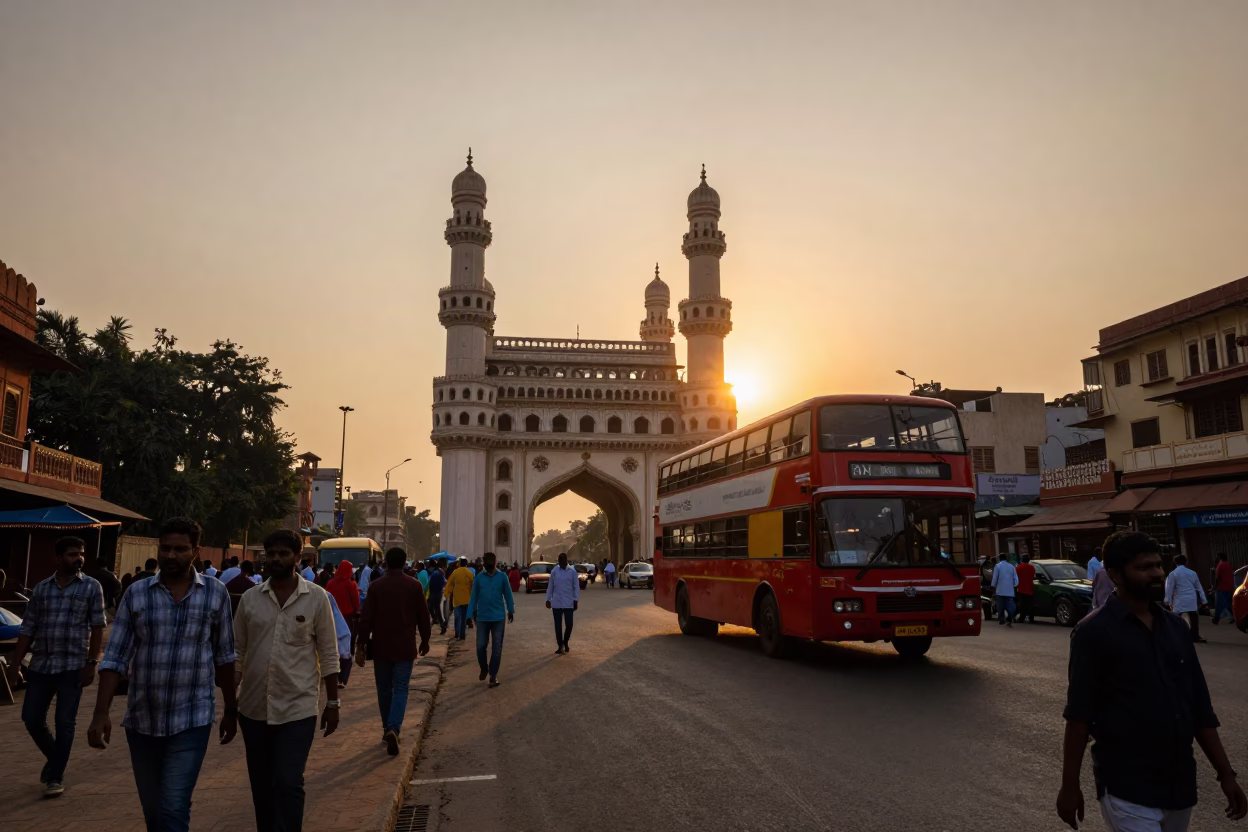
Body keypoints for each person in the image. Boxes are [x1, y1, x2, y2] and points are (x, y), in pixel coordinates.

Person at [1056, 530, 1246, 831]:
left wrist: (1226, 775)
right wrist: (1069, 786)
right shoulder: (1093, 633)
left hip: (1179, 784)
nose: (1156, 574)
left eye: (1158, 565)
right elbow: (1079, 717)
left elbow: (1199, 708)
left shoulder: (1176, 628)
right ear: (1115, 574)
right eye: (1144, 568)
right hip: (1126, 786)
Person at [89, 517, 238, 832]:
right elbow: (115, 655)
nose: (171, 555)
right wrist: (100, 712)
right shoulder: (137, 594)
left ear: (195, 551)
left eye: (180, 549)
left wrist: (230, 710)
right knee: (154, 812)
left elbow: (224, 656)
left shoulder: (215, 593)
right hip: (143, 719)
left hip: (192, 718)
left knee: (171, 810)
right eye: (166, 548)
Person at [234, 529, 340, 832]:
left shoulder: (317, 598)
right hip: (253, 709)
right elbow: (238, 651)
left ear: (298, 556)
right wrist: (231, 696)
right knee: (262, 786)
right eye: (272, 553)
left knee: (289, 781)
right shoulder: (251, 599)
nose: (276, 559)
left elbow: (329, 654)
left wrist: (333, 702)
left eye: (283, 553)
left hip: (298, 708)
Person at [14, 535, 106, 798]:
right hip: (42, 664)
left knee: (65, 721)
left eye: (81, 553)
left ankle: (55, 776)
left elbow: (98, 627)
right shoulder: (42, 589)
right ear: (58, 557)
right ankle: (56, 758)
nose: (78, 558)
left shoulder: (91, 587)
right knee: (31, 718)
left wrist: (92, 662)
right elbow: (28, 628)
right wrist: (15, 665)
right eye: (72, 554)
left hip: (73, 666)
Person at [356, 547, 430, 756]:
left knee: (384, 689)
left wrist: (360, 644)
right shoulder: (414, 586)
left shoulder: (376, 586)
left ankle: (387, 727)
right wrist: (425, 639)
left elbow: (366, 618)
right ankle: (394, 727)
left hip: (381, 646)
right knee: (400, 689)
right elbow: (423, 617)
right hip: (405, 646)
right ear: (405, 562)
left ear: (386, 563)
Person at [468, 552, 514, 688]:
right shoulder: (479, 578)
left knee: (497, 648)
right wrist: (469, 615)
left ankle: (493, 675)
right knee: (481, 646)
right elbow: (473, 597)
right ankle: (484, 667)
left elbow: (508, 594)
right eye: (486, 560)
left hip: (498, 618)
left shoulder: (502, 577)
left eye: (490, 560)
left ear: (494, 561)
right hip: (482, 617)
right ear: (483, 562)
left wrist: (510, 610)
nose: (488, 562)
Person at [326, 561, 361, 685]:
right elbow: (355, 601)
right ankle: (343, 678)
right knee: (347, 646)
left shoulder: (330, 583)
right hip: (347, 617)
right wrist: (357, 611)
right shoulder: (350, 584)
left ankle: (334, 676)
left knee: (332, 645)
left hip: (331, 617)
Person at [1165, 554, 1208, 644]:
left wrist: (1168, 601)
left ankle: (1178, 637)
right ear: (1186, 562)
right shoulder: (1192, 573)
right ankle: (1195, 637)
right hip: (1191, 599)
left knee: (1177, 619)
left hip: (1179, 600)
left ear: (1175, 563)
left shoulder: (1173, 574)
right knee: (1194, 619)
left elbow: (1169, 589)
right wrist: (1204, 600)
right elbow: (1199, 587)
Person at [546, 552, 580, 655]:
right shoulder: (555, 571)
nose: (561, 563)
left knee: (569, 625)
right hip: (556, 602)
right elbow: (550, 586)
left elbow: (576, 587)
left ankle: (565, 641)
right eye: (559, 561)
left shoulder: (572, 571)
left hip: (569, 602)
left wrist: (575, 600)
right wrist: (548, 599)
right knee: (558, 625)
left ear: (566, 561)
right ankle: (560, 645)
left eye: (563, 561)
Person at [445, 557, 475, 640]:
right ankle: (462, 634)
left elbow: (449, 584)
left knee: (457, 616)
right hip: (467, 599)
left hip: (457, 599)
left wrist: (447, 593)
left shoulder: (455, 573)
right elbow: (473, 586)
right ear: (466, 564)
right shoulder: (470, 573)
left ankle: (457, 633)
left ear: (459, 564)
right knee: (464, 617)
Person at [991, 553, 1018, 627]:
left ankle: (1002, 619)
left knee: (1000, 606)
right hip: (1010, 591)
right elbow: (1016, 578)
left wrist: (993, 585)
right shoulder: (1011, 567)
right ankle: (1010, 617)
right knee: (1010, 606)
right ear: (1006, 558)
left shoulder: (997, 566)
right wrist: (1015, 585)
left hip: (1000, 590)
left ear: (999, 558)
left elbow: (995, 577)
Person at [1212, 553, 1235, 626]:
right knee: (1228, 603)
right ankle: (1234, 617)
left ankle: (1216, 619)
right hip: (1229, 587)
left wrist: (1215, 586)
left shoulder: (1220, 565)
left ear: (1219, 557)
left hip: (1222, 587)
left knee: (1218, 604)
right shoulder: (1228, 564)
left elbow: (1218, 577)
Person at [426, 563, 447, 636]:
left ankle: (435, 620)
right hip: (438, 593)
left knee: (430, 608)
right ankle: (440, 623)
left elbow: (430, 584)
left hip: (434, 594)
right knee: (436, 609)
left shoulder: (435, 574)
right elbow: (444, 583)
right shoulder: (440, 574)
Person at [1015, 554, 1037, 624]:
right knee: (1030, 604)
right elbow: (1033, 576)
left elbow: (1015, 577)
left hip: (1021, 588)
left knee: (1022, 605)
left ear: (1021, 560)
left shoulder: (1018, 567)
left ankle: (1022, 618)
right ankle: (1031, 618)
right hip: (1030, 588)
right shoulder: (1032, 567)